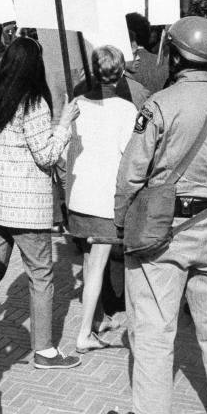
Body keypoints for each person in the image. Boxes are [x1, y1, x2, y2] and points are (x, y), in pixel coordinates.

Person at [108, 16, 207, 414]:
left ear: (174, 53)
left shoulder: (159, 105)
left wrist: (123, 225)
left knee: (154, 323)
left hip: (161, 231)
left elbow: (131, 175)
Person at [0, 37, 82, 367]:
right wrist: (64, 126)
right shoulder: (34, 103)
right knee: (41, 276)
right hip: (27, 208)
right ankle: (44, 349)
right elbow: (46, 156)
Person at [65, 46, 136, 353]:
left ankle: (96, 320)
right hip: (105, 199)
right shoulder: (126, 110)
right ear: (120, 73)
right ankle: (84, 334)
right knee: (97, 267)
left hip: (78, 195)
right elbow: (129, 156)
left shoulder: (77, 103)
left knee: (87, 261)